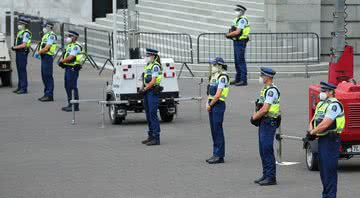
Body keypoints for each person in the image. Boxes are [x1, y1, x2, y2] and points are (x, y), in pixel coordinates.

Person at [308, 81, 345, 198]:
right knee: (323, 172)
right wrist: (310, 131)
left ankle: (331, 196)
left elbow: (326, 123)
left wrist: (313, 132)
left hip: (331, 141)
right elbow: (314, 119)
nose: (321, 93)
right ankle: (326, 195)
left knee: (329, 171)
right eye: (321, 90)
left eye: (324, 91)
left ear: (331, 92)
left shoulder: (334, 105)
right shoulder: (321, 104)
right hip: (322, 140)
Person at [251, 67, 280, 186]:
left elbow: (265, 108)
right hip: (264, 121)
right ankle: (266, 174)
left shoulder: (271, 91)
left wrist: (254, 117)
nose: (261, 77)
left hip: (269, 122)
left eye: (262, 75)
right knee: (262, 149)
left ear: (268, 77)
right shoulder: (265, 89)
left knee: (267, 149)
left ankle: (271, 177)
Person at [206, 57, 230, 164]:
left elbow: (218, 94)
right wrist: (207, 103)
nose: (212, 67)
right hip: (212, 103)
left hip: (218, 104)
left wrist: (210, 104)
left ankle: (219, 155)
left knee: (217, 129)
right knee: (213, 130)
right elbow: (210, 93)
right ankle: (215, 153)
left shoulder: (223, 77)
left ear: (219, 66)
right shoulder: (213, 76)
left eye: (214, 65)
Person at [139, 48, 163, 146]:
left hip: (153, 91)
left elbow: (153, 81)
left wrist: (144, 89)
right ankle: (151, 136)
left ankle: (156, 137)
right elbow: (145, 79)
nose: (147, 57)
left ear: (153, 56)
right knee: (148, 114)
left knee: (153, 114)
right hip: (147, 92)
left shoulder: (155, 66)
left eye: (148, 55)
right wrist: (142, 88)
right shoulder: (148, 65)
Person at [58, 31, 84, 112]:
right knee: (67, 86)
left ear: (75, 37)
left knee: (72, 86)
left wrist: (62, 61)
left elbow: (70, 57)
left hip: (73, 68)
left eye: (70, 36)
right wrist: (64, 63)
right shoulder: (69, 45)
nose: (68, 37)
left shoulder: (76, 46)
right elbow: (67, 56)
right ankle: (70, 103)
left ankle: (75, 105)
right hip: (68, 68)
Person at [226, 4, 251, 86]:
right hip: (236, 41)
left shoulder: (242, 20)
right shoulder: (237, 19)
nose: (236, 11)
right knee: (237, 61)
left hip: (241, 42)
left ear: (242, 11)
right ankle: (238, 79)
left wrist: (228, 35)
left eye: (238, 10)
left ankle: (243, 80)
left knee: (240, 61)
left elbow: (237, 32)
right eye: (236, 10)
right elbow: (233, 29)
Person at [11, 17, 32, 94]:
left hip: (22, 53)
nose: (19, 25)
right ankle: (20, 87)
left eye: (20, 24)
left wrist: (14, 47)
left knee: (22, 70)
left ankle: (24, 88)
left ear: (24, 24)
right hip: (19, 53)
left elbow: (24, 45)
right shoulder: (21, 32)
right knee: (19, 70)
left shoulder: (26, 33)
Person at [37, 22, 57, 102]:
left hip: (48, 57)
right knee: (44, 76)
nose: (44, 28)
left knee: (48, 76)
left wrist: (38, 52)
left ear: (49, 27)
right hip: (44, 57)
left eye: (45, 27)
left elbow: (47, 48)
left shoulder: (51, 36)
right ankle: (46, 94)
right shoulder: (46, 35)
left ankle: (49, 95)